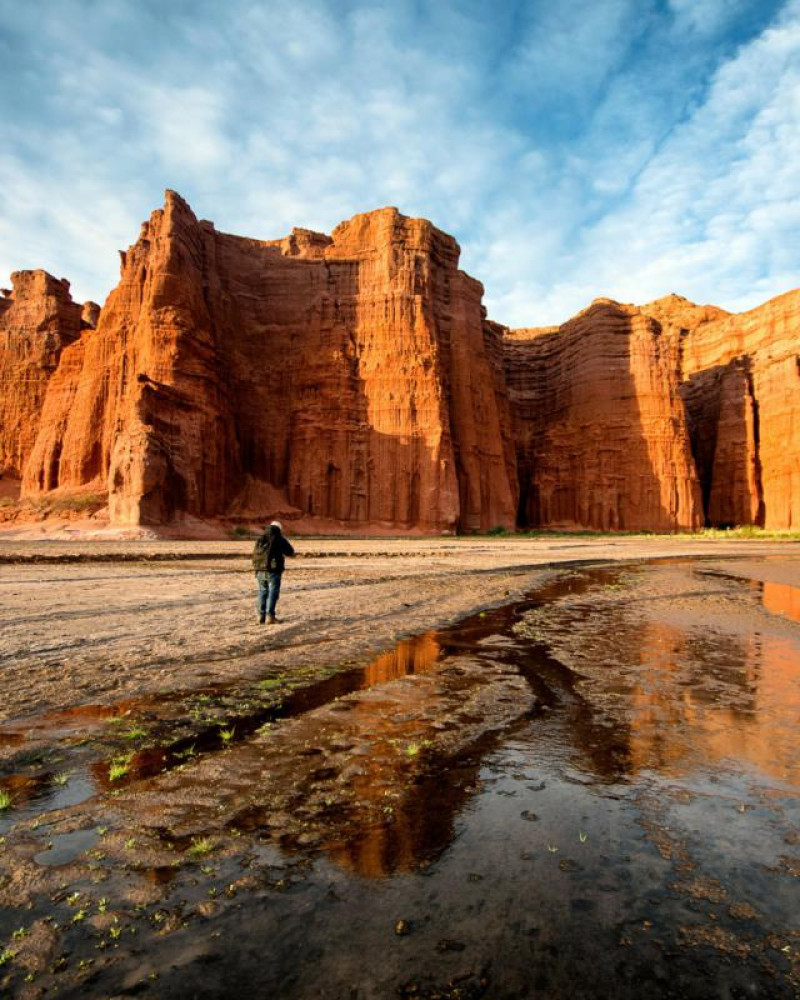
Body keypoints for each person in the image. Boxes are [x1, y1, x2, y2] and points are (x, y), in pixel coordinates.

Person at [252, 520, 295, 624]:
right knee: (272, 593)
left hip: (259, 570)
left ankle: (260, 616)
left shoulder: (261, 538)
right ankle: (270, 616)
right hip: (273, 570)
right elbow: (290, 552)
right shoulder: (279, 538)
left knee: (262, 592)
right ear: (279, 529)